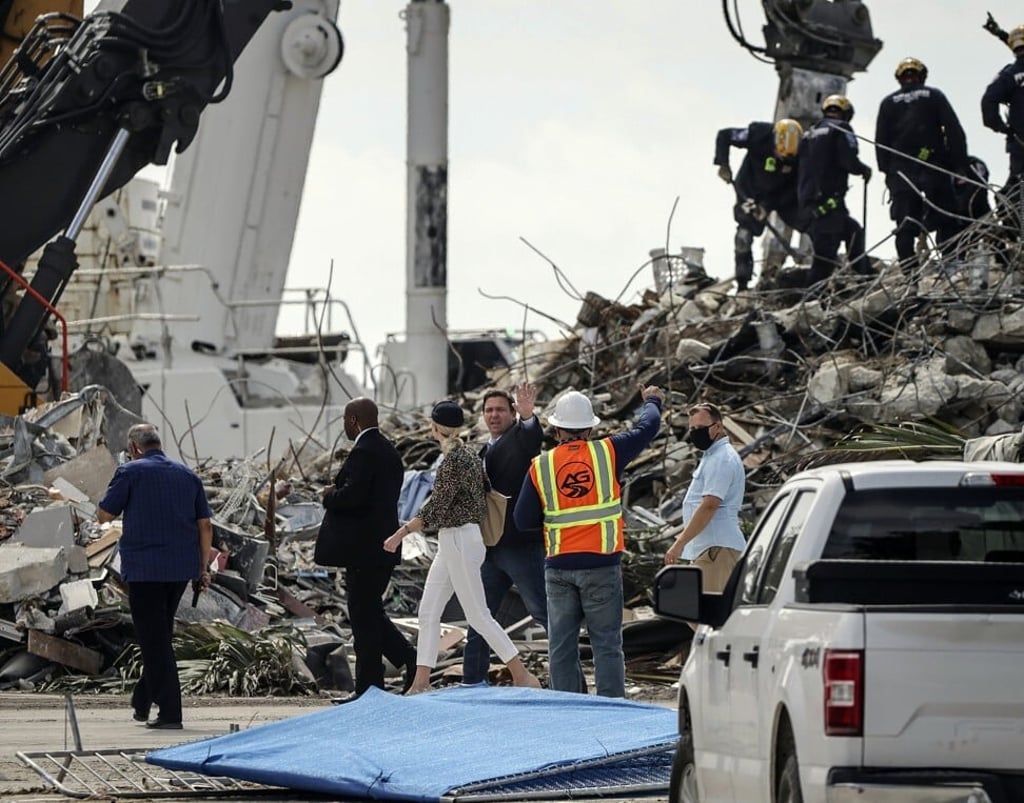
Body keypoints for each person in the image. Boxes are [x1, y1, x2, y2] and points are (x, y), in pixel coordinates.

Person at [514, 385, 665, 698]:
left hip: (559, 569)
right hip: (601, 566)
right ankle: (611, 712)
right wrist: (651, 400)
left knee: (561, 647)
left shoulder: (540, 466)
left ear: (555, 430)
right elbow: (647, 426)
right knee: (607, 645)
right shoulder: (608, 452)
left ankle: (569, 715)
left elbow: (522, 520)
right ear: (591, 427)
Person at [384, 400, 541, 694]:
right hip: (456, 539)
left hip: (459, 539)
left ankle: (522, 674)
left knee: (478, 615)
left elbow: (437, 507)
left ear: (435, 428)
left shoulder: (454, 460)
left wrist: (400, 534)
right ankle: (421, 682)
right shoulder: (468, 454)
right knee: (429, 612)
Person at [97, 424, 212, 730]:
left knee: (154, 641)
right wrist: (203, 569)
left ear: (134, 448)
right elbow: (206, 527)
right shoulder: (188, 476)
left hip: (145, 570)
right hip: (179, 571)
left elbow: (104, 515)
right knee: (159, 636)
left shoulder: (129, 472)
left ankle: (171, 712)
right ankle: (142, 699)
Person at [313, 397, 416, 701]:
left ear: (354, 420)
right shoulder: (387, 450)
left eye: (346, 419)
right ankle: (378, 680)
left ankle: (378, 680)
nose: (344, 425)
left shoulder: (364, 452)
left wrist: (329, 495)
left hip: (364, 552)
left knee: (364, 617)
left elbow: (353, 498)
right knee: (367, 614)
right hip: (378, 549)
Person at [461, 384, 547, 686]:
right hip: (490, 548)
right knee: (479, 615)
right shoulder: (485, 449)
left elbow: (532, 438)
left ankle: (569, 681)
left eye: (500, 409)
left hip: (520, 545)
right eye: (488, 410)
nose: (493, 415)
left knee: (545, 613)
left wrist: (528, 416)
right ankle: (472, 683)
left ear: (511, 413)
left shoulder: (519, 440)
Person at [875, 57, 969, 269]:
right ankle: (950, 267)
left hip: (902, 174)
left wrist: (888, 174)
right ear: (922, 76)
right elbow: (954, 132)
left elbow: (881, 143)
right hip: (933, 168)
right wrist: (960, 166)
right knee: (947, 217)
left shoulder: (888, 103)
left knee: (905, 226)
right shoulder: (934, 95)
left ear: (900, 79)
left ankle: (910, 278)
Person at [663, 403, 747, 593]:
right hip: (710, 550)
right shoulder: (713, 456)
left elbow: (709, 505)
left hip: (717, 550)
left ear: (718, 426)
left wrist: (679, 544)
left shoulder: (722, 459)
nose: (695, 433)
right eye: (692, 428)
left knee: (710, 617)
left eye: (700, 428)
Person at [713, 118, 805, 291]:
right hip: (750, 189)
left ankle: (818, 270)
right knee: (743, 236)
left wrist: (766, 205)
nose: (782, 159)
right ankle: (743, 282)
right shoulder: (758, 135)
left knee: (811, 224)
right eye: (780, 154)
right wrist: (723, 163)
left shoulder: (804, 152)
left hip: (782, 194)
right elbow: (724, 135)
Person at [797, 94, 873, 287]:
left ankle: (865, 275)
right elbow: (848, 159)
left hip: (810, 205)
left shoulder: (808, 133)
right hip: (827, 204)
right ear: (846, 114)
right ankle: (810, 301)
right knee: (825, 259)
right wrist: (862, 170)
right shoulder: (841, 128)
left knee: (853, 231)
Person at [982, 24, 1024, 234]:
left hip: (1019, 145)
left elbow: (988, 100)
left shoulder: (1010, 74)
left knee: (1011, 194)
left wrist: (1001, 127)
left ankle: (1014, 235)